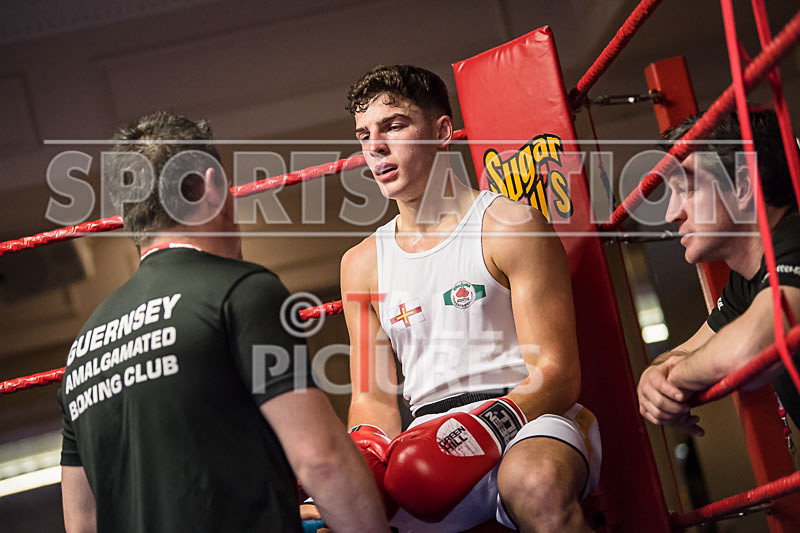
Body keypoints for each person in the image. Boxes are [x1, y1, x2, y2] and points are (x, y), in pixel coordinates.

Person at [58, 111, 390, 533]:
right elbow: (321, 459)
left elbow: (81, 524)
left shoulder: (83, 349)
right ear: (213, 188)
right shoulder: (241, 291)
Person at [336, 65, 602, 532]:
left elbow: (558, 374)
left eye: (394, 125)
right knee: (341, 515)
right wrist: (368, 457)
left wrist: (478, 431)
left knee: (535, 483)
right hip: (427, 440)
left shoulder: (510, 225)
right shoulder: (361, 263)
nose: (375, 146)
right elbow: (372, 396)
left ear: (442, 133)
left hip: (530, 422)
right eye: (364, 134)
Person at [637, 109, 800, 435]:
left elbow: (749, 347)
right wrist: (653, 377)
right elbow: (689, 349)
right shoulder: (748, 282)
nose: (671, 213)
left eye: (687, 189)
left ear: (742, 186)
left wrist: (677, 374)